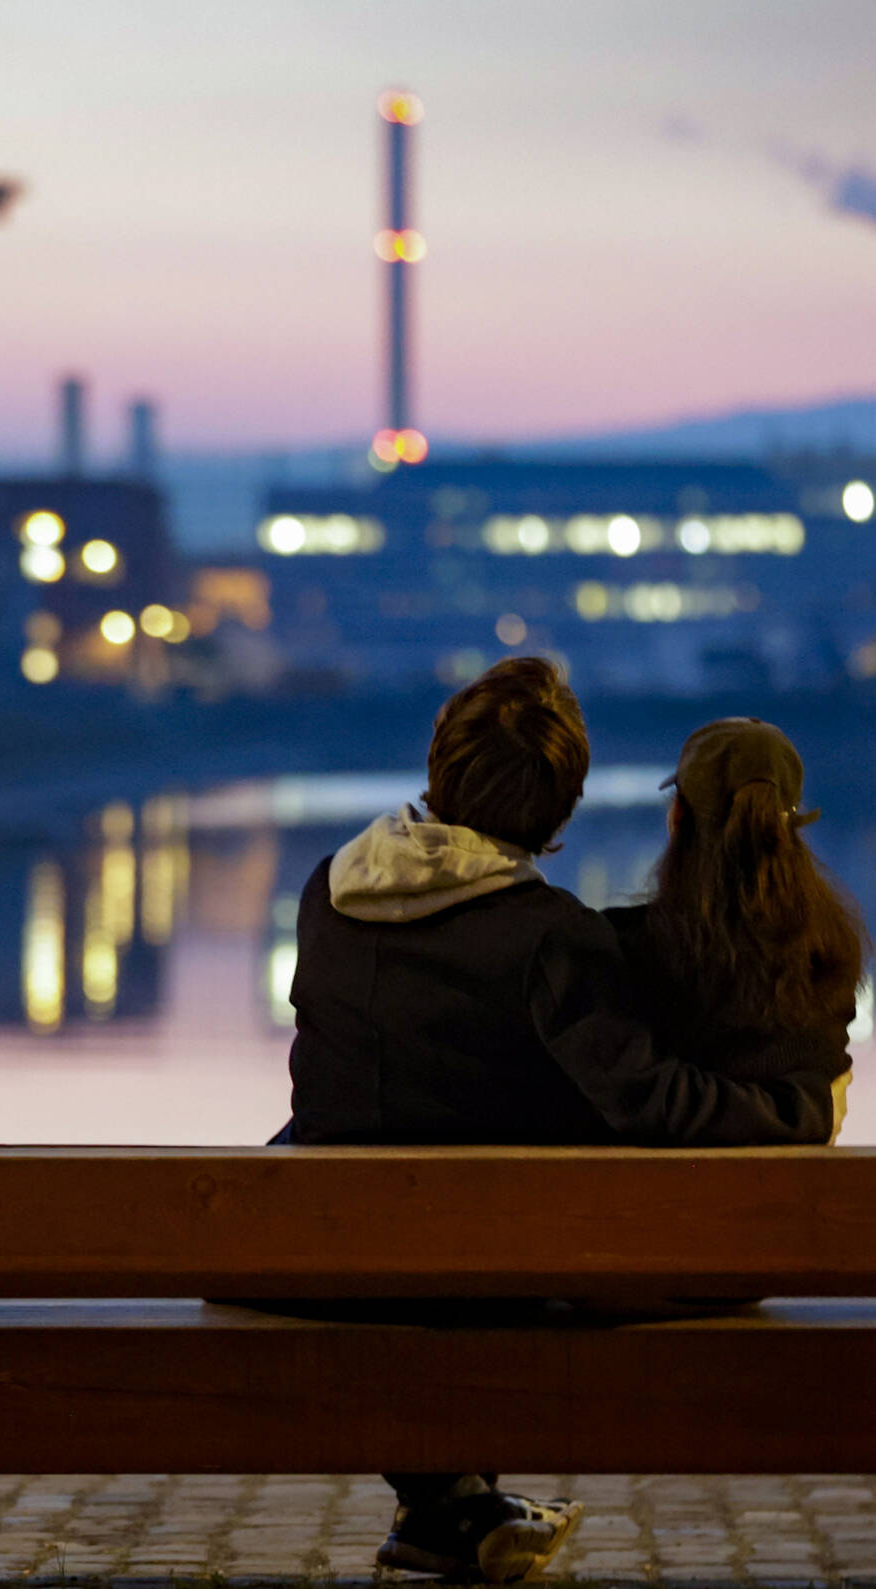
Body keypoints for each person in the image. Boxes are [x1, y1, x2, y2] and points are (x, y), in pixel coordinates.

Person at [282, 658, 845, 1583]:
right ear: (560, 811)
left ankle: (450, 1510)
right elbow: (656, 1102)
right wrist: (796, 1109)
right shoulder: (552, 938)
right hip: (470, 1277)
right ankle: (453, 1510)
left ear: (440, 765)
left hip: (312, 1255)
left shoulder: (327, 892)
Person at [603, 717, 866, 1120]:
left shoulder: (628, 950)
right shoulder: (830, 956)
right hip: (802, 1163)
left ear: (677, 817)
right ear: (790, 829)